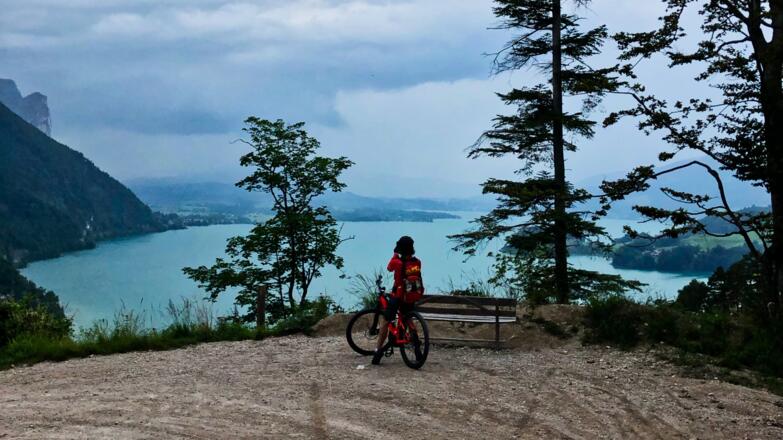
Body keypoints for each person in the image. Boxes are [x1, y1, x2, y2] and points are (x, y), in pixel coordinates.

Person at [372, 235, 424, 365]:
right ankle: (416, 347)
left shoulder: (398, 262)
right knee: (408, 319)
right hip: (411, 296)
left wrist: (395, 254)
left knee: (385, 321)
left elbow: (389, 268)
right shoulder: (417, 262)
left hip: (399, 296)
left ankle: (378, 350)